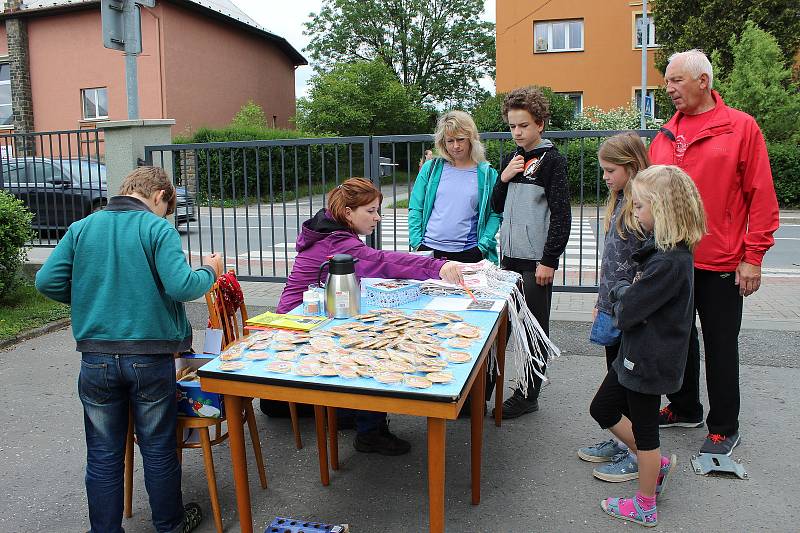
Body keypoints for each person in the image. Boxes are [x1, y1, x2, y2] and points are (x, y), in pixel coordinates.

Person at [35, 166, 223, 533]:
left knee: (103, 454)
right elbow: (182, 285)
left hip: (96, 359)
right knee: (157, 447)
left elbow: (47, 281)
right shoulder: (157, 228)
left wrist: (89, 300)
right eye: (165, 207)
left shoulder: (83, 227)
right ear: (159, 196)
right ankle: (170, 525)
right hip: (149, 358)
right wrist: (211, 270)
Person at [650, 49, 780, 455]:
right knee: (678, 338)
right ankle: (684, 406)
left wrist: (753, 257)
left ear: (703, 81)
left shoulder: (740, 128)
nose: (668, 88)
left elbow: (761, 197)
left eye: (676, 81)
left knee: (721, 345)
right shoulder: (665, 134)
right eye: (667, 81)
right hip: (672, 259)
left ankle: (724, 426)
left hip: (721, 261)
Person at [275, 177, 463, 455]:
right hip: (298, 327)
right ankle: (370, 431)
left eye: (378, 210)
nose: (377, 217)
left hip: (305, 319)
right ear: (348, 213)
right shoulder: (337, 241)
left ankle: (351, 411)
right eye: (371, 211)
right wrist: (437, 265)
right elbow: (381, 261)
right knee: (378, 344)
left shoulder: (330, 231)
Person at [590, 165, 706, 527]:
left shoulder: (670, 262)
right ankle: (653, 464)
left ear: (663, 209)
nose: (634, 212)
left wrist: (621, 289)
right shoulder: (664, 253)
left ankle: (644, 503)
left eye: (639, 206)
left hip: (648, 360)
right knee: (603, 408)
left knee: (646, 434)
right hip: (637, 354)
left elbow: (627, 311)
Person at [489, 86, 571, 418]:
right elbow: (495, 206)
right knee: (501, 329)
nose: (518, 132)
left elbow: (561, 216)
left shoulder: (554, 161)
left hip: (536, 263)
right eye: (512, 126)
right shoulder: (510, 158)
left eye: (523, 125)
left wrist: (549, 260)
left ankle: (528, 394)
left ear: (539, 123)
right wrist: (503, 178)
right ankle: (481, 393)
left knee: (534, 329)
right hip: (509, 259)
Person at [578, 133, 649, 478]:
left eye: (610, 170)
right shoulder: (619, 201)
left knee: (628, 384)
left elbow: (647, 263)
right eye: (603, 170)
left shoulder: (643, 207)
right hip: (613, 306)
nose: (605, 176)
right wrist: (600, 302)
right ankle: (622, 440)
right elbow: (611, 261)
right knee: (615, 374)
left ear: (631, 167)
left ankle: (638, 452)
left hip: (631, 312)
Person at [409, 110, 502, 264]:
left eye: (461, 139)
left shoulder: (487, 174)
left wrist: (482, 246)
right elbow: (415, 207)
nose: (456, 146)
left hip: (469, 253)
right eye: (450, 141)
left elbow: (495, 213)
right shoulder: (430, 168)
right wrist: (417, 243)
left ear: (471, 139)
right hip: (428, 250)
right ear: (442, 142)